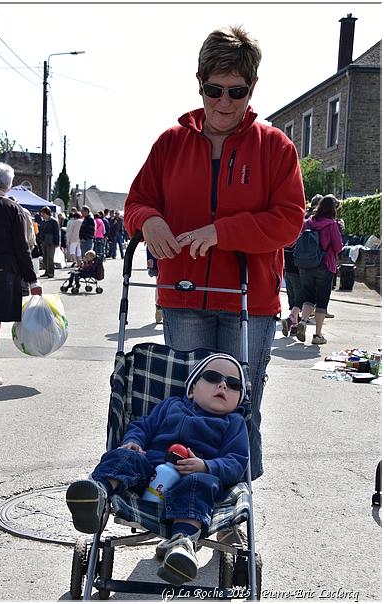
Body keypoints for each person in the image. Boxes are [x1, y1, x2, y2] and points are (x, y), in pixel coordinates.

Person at [124, 25, 305, 481]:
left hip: (250, 303)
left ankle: (235, 516)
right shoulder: (170, 143)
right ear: (200, 83)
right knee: (188, 409)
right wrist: (149, 220)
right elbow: (135, 202)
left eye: (237, 91)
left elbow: (288, 221)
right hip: (184, 298)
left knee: (241, 413)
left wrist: (223, 232)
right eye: (214, 90)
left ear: (252, 88)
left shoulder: (275, 147)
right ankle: (180, 504)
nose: (225, 102)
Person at [66, 353, 249, 585]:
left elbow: (236, 461)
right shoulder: (171, 405)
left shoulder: (233, 423)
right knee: (126, 456)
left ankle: (182, 543)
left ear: (238, 399)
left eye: (233, 385)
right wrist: (135, 441)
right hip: (149, 472)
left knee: (200, 484)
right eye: (213, 377)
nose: (223, 384)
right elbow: (142, 427)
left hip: (192, 481)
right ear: (191, 389)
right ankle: (98, 494)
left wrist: (206, 466)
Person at [0, 162, 43, 388]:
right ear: (9, 186)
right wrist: (32, 280)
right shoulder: (13, 209)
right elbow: (22, 249)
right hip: (2, 272)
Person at [295, 194, 343, 345]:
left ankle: (302, 321)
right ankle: (317, 335)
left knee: (308, 296)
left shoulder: (308, 222)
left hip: (306, 265)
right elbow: (338, 247)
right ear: (333, 209)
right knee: (322, 301)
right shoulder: (331, 225)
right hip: (324, 265)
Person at [281, 243, 302, 337]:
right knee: (300, 299)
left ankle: (294, 327)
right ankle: (290, 320)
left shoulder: (287, 237)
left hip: (287, 270)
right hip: (298, 272)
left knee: (293, 299)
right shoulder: (301, 237)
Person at [39, 206, 60, 278]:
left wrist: (57, 242)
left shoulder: (54, 221)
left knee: (50, 257)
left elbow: (57, 232)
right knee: (45, 257)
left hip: (51, 242)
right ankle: (47, 271)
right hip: (44, 241)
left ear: (47, 213)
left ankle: (51, 272)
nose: (42, 215)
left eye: (43, 214)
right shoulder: (43, 221)